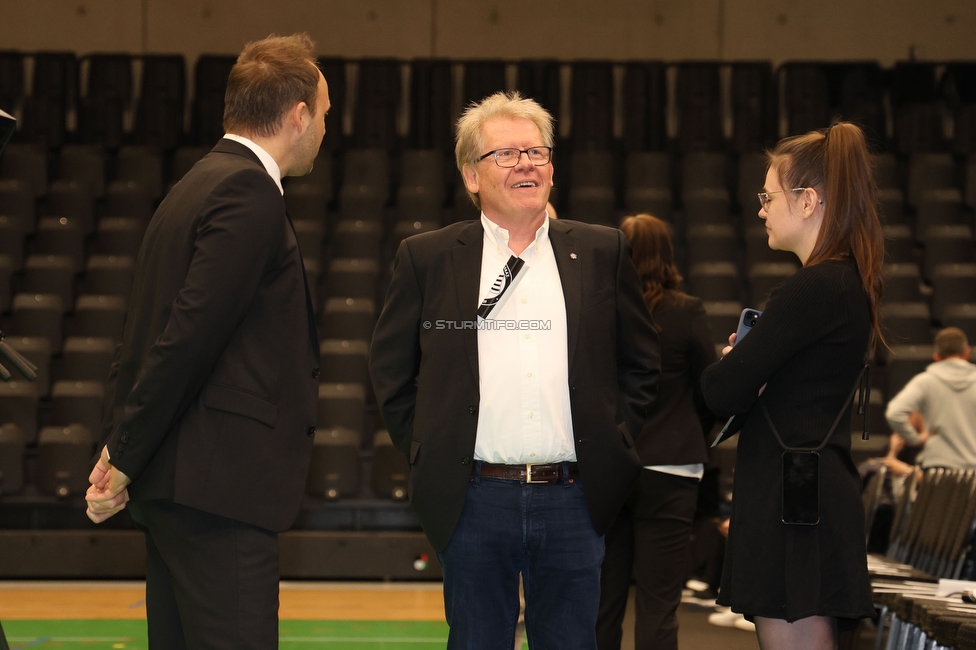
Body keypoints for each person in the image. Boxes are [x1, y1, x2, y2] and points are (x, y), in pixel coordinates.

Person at [369, 91, 660, 650]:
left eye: (536, 152)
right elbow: (391, 370)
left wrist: (613, 440)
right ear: (471, 176)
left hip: (575, 498)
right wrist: (431, 448)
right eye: (506, 154)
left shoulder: (603, 251)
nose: (526, 163)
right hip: (473, 498)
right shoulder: (427, 258)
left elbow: (641, 364)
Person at [84, 33, 327, 649]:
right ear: (298, 116)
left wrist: (121, 448)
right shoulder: (248, 192)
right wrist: (125, 455)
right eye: (324, 114)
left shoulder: (193, 185)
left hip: (180, 485)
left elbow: (141, 334)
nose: (325, 129)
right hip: (220, 492)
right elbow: (186, 338)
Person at [700, 122, 885, 650]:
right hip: (802, 492)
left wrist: (742, 366)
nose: (761, 209)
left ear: (807, 201)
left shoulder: (816, 286)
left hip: (795, 502)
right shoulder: (837, 282)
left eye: (768, 195)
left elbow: (720, 389)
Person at [596, 214, 716, 650]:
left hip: (611, 466)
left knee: (603, 601)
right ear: (667, 255)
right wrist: (690, 430)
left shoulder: (600, 310)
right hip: (671, 467)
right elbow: (712, 388)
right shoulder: (686, 311)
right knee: (659, 603)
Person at [885, 327, 976, 470]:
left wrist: (914, 439)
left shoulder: (925, 381)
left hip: (937, 469)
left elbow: (894, 413)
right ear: (967, 353)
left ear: (937, 357)